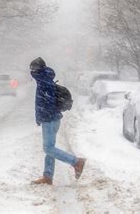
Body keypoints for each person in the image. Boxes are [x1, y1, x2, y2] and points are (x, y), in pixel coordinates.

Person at [29, 57, 86, 185]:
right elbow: (42, 102)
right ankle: (48, 176)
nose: (31, 71)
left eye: (33, 69)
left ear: (38, 69)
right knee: (51, 148)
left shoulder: (44, 82)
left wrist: (43, 116)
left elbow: (47, 103)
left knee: (48, 148)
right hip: (51, 119)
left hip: (49, 119)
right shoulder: (45, 79)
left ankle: (76, 162)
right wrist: (40, 116)